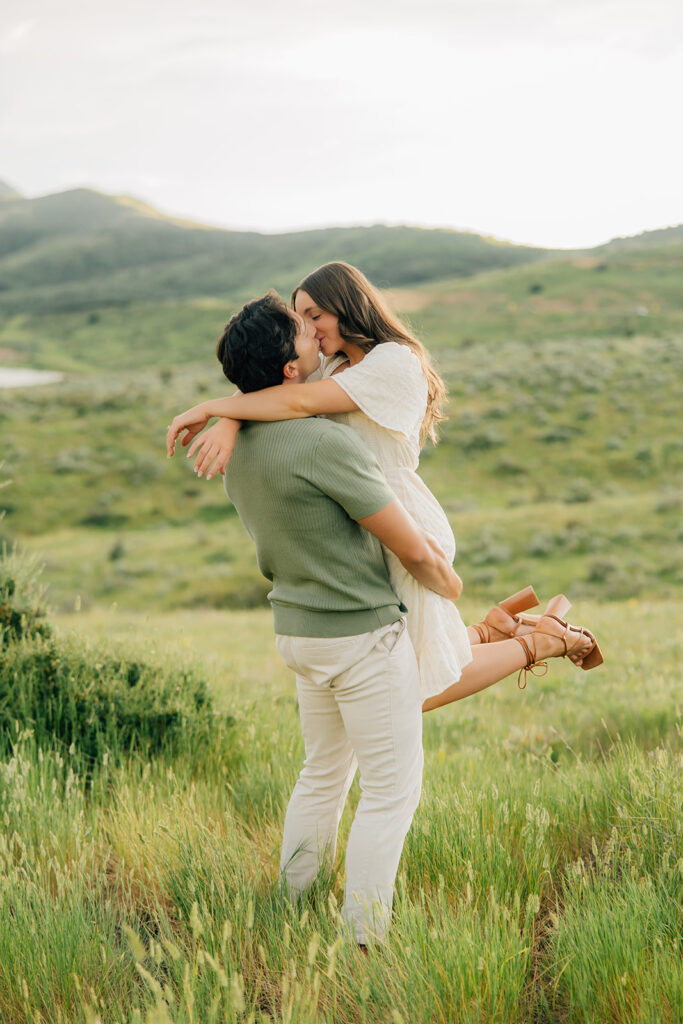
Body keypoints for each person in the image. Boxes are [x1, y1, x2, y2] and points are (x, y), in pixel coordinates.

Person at [167, 263, 602, 711]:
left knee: (412, 691)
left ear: (347, 305)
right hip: (362, 524)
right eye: (302, 320)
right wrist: (230, 419)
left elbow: (295, 398)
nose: (311, 330)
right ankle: (491, 630)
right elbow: (277, 383)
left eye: (316, 315)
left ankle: (543, 643)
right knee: (405, 665)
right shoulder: (333, 365)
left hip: (400, 520)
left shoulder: (393, 362)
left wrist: (213, 409)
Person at [205, 290, 460, 945]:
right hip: (359, 638)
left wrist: (226, 413)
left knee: (320, 776)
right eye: (303, 333)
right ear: (290, 369)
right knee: (388, 793)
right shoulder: (322, 442)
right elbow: (407, 545)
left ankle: (293, 908)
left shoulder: (242, 450)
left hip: (298, 634)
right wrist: (446, 581)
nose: (317, 337)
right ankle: (364, 937)